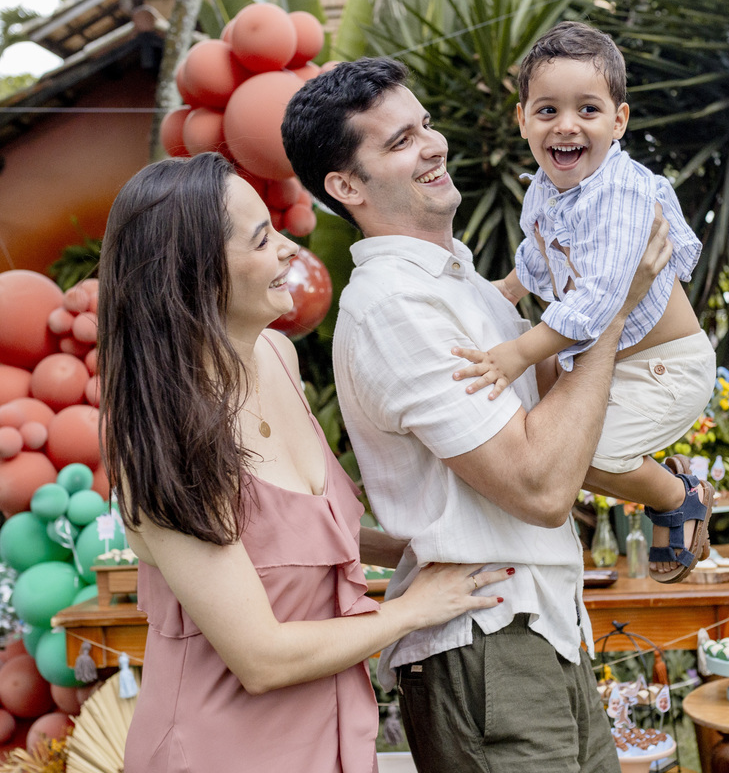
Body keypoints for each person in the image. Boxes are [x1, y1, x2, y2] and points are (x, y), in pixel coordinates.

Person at [282, 58, 671, 773]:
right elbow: (539, 486)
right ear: (346, 187)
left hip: (540, 625)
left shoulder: (468, 287)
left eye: (425, 125)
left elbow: (562, 431)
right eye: (400, 141)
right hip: (486, 642)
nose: (434, 146)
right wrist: (612, 306)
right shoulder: (396, 305)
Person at [97, 152, 512, 773]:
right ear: (193, 275)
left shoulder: (276, 356)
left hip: (330, 737)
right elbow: (261, 657)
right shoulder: (168, 439)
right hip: (221, 753)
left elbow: (297, 536)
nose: (291, 249)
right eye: (262, 238)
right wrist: (415, 608)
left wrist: (424, 546)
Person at [452, 21, 717, 583]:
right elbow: (539, 252)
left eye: (588, 110)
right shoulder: (548, 187)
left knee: (579, 457)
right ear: (522, 119)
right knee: (544, 435)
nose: (566, 125)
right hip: (611, 360)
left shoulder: (620, 192)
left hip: (665, 369)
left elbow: (597, 302)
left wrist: (517, 352)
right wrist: (507, 289)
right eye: (547, 110)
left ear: (618, 121)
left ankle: (679, 495)